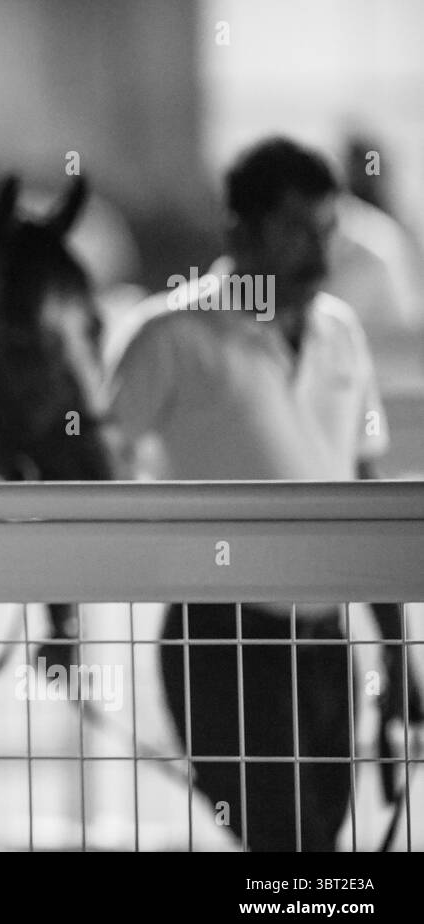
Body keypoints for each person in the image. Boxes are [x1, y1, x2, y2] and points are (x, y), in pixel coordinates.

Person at [103, 137, 417, 851]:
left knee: (316, 856)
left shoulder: (340, 335)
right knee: (291, 852)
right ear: (240, 230)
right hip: (223, 639)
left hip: (328, 646)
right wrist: (62, 619)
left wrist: (399, 659)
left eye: (327, 229)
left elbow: (364, 492)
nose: (319, 249)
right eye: (298, 230)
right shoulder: (169, 336)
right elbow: (95, 466)